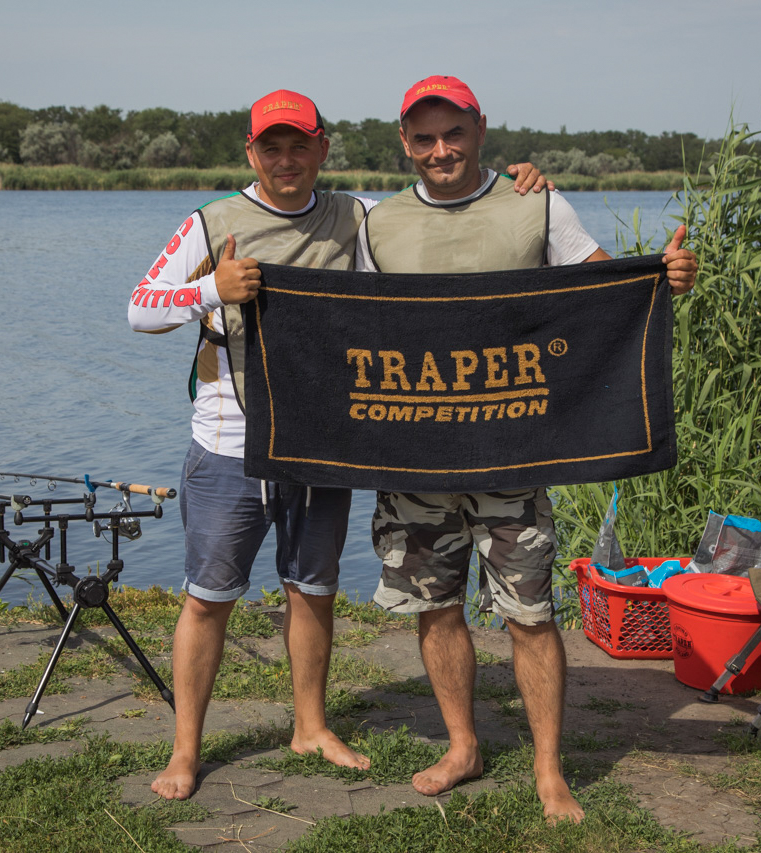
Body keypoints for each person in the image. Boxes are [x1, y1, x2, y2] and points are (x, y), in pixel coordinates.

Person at [127, 88, 549, 801]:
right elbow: (140, 308)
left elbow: (439, 209)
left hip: (320, 439)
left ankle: (311, 727)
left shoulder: (356, 216)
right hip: (229, 441)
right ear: (251, 153)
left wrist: (518, 181)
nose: (286, 160)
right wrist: (212, 290)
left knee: (313, 589)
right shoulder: (210, 221)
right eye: (271, 148)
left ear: (322, 148)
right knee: (207, 597)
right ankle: (185, 751)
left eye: (300, 145)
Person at [356, 75, 698, 824]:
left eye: (454, 132)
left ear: (480, 129)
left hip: (514, 451)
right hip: (415, 457)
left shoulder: (537, 203)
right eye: (424, 137)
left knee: (531, 613)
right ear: (404, 142)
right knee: (434, 605)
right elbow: (350, 325)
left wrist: (660, 278)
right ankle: (462, 747)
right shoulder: (377, 224)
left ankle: (549, 770)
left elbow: (605, 287)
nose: (441, 149)